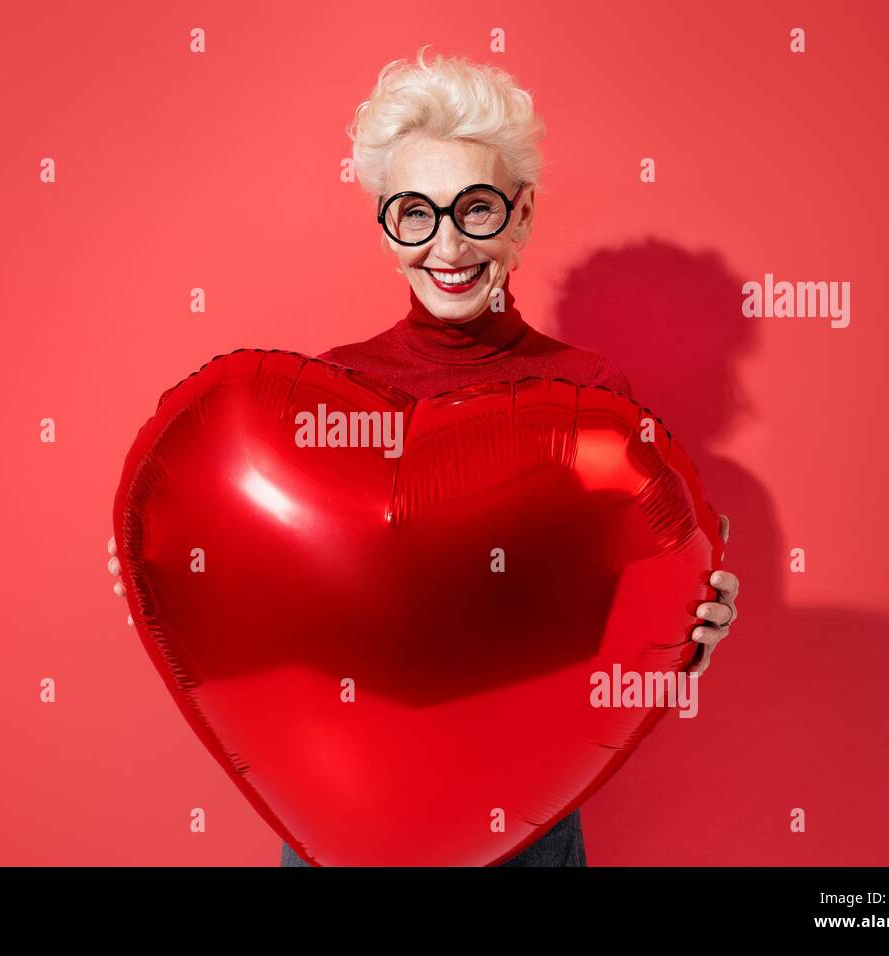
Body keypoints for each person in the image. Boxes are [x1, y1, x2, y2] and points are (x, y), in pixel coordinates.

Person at [107, 46, 740, 867]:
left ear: (521, 213)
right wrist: (168, 558)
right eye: (415, 212)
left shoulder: (593, 398)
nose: (448, 245)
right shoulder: (321, 393)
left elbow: (613, 619)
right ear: (385, 224)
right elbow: (279, 616)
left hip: (527, 824)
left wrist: (693, 627)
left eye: (475, 208)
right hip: (340, 813)